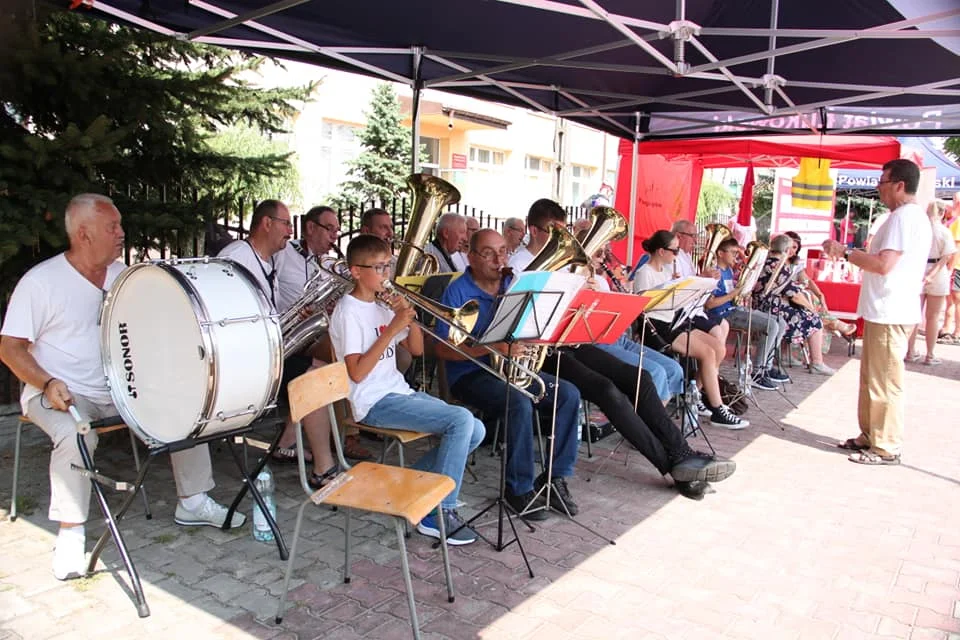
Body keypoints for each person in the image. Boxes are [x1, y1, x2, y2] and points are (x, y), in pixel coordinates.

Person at [0, 194, 245, 581]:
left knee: (186, 407)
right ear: (83, 234)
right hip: (58, 391)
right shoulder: (42, 283)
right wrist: (46, 383)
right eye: (112, 227)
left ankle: (193, 501)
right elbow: (10, 349)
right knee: (74, 435)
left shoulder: (121, 276)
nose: (121, 233)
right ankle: (70, 534)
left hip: (119, 389)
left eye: (119, 225)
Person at [510, 206, 739, 499]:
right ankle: (676, 467)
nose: (563, 237)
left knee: (640, 377)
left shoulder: (565, 261)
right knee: (607, 389)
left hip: (572, 340)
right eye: (555, 231)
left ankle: (681, 454)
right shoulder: (520, 264)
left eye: (564, 231)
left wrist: (588, 290)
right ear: (534, 230)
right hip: (542, 350)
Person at [329, 234, 484, 544]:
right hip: (372, 402)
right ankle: (439, 512)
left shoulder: (382, 305)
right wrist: (391, 331)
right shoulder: (348, 312)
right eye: (377, 268)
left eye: (387, 266)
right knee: (462, 421)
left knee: (476, 430)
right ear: (355, 271)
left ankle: (412, 487)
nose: (385, 275)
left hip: (398, 392)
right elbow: (357, 373)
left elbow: (414, 350)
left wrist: (408, 318)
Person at [437, 228, 582, 519]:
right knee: (518, 402)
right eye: (488, 253)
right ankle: (518, 489)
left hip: (511, 369)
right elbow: (442, 350)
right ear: (471, 256)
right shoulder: (457, 291)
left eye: (502, 251)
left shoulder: (514, 284)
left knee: (568, 394)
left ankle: (553, 480)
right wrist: (493, 348)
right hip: (471, 373)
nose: (497, 259)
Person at [823, 159, 931, 465]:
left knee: (884, 380)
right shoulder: (905, 217)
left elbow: (884, 265)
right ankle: (870, 435)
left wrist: (845, 252)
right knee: (872, 377)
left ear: (899, 185)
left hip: (890, 311)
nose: (878, 188)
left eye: (882, 182)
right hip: (886, 310)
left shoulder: (902, 219)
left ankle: (885, 445)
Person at [271, 205, 356, 483]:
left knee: (340, 356)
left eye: (336, 230)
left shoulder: (326, 262)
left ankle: (290, 441)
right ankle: (325, 456)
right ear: (310, 228)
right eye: (329, 228)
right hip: (287, 337)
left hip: (310, 333)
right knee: (325, 368)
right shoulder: (284, 254)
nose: (335, 235)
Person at [633, 230, 749, 430]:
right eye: (674, 250)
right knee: (706, 353)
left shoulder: (667, 270)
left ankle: (694, 394)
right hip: (658, 327)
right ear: (661, 251)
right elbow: (644, 308)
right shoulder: (645, 272)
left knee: (718, 348)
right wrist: (671, 291)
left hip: (675, 320)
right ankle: (717, 408)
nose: (677, 255)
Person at [703, 237, 789, 390]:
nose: (736, 256)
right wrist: (734, 294)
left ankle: (766, 367)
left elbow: (733, 295)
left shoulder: (728, 270)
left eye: (737, 253)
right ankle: (757, 372)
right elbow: (709, 304)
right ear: (721, 253)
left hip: (734, 308)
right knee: (771, 325)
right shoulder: (715, 272)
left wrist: (744, 288)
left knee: (780, 322)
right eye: (733, 253)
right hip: (723, 313)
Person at [753, 235, 835, 376]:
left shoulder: (766, 262)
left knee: (808, 316)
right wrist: (812, 309)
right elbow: (794, 294)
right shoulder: (778, 266)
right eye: (791, 247)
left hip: (761, 304)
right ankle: (817, 362)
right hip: (771, 307)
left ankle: (778, 360)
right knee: (814, 321)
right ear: (785, 249)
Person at [783, 231, 857, 345]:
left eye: (794, 247)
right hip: (783, 299)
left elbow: (807, 280)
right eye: (789, 246)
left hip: (794, 299)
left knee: (813, 299)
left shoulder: (795, 264)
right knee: (810, 302)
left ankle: (831, 324)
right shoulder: (776, 262)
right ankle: (835, 324)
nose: (791, 250)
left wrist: (820, 294)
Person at [906, 201, 956, 365]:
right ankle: (930, 354)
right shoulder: (944, 231)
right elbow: (947, 256)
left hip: (918, 270)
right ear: (942, 213)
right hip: (937, 272)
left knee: (914, 314)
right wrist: (934, 273)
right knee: (933, 317)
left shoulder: (919, 230)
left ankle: (910, 351)